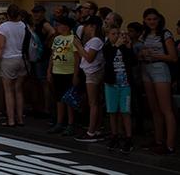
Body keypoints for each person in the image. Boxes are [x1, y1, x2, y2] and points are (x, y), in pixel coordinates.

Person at [138, 8, 176, 155]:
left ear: (159, 19)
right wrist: (142, 54)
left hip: (160, 70)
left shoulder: (165, 34)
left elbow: (173, 57)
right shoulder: (144, 35)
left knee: (166, 109)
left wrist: (155, 55)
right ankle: (158, 140)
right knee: (154, 108)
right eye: (148, 19)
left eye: (154, 19)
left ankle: (170, 145)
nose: (152, 22)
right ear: (145, 20)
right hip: (146, 69)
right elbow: (140, 53)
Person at [102, 25, 136, 154]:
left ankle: (128, 137)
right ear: (108, 35)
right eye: (113, 34)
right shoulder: (107, 48)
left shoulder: (124, 47)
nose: (116, 36)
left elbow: (133, 62)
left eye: (119, 34)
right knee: (112, 111)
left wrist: (128, 47)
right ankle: (114, 135)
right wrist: (116, 46)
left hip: (125, 85)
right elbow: (108, 60)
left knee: (125, 111)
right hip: (111, 85)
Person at [74, 16, 106, 142]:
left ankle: (91, 131)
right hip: (91, 72)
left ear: (92, 26)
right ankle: (96, 128)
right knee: (95, 102)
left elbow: (89, 57)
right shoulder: (94, 40)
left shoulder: (96, 41)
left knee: (93, 103)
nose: (85, 29)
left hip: (93, 73)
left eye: (86, 26)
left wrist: (78, 46)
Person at [47, 16, 81, 136]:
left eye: (60, 24)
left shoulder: (73, 39)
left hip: (69, 72)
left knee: (69, 99)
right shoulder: (57, 39)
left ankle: (70, 124)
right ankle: (59, 123)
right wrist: (49, 70)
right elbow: (52, 55)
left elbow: (77, 58)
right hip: (57, 71)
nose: (58, 27)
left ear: (66, 26)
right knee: (59, 98)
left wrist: (76, 75)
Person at [0, 4, 27, 127]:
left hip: (8, 59)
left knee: (8, 91)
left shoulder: (4, 27)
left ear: (8, 15)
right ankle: (20, 118)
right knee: (18, 90)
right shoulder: (23, 25)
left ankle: (11, 120)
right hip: (21, 59)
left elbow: (1, 46)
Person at [32, 5, 56, 119]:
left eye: (38, 12)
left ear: (43, 13)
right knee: (40, 83)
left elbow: (52, 32)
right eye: (34, 12)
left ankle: (47, 108)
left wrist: (46, 42)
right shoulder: (36, 24)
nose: (36, 14)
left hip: (43, 56)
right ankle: (42, 106)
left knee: (44, 83)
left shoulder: (44, 24)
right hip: (39, 56)